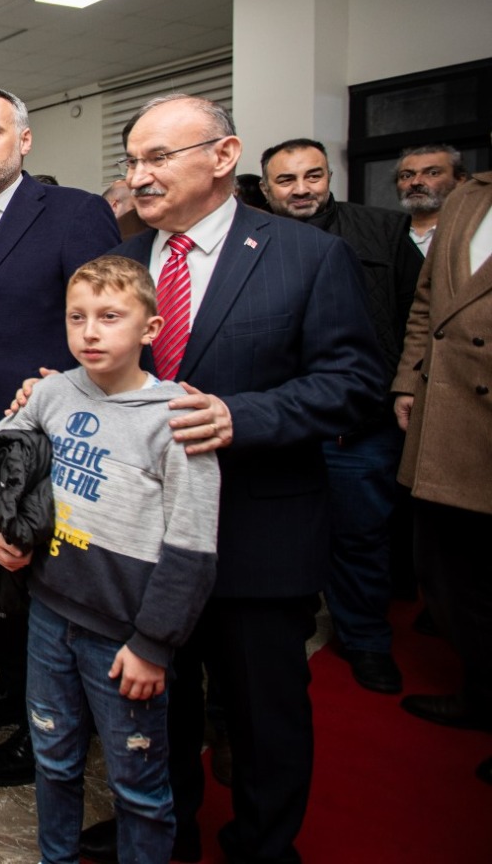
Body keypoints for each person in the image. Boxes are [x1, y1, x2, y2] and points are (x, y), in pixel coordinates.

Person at [71, 94, 384, 864]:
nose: (139, 177)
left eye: (157, 159)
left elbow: (354, 381)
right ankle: (162, 831)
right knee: (156, 705)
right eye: (132, 161)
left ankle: (262, 845)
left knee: (260, 714)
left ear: (223, 154)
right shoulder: (127, 262)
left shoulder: (305, 255)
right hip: (145, 540)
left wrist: (244, 417)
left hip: (256, 532)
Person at [0, 257, 220, 864]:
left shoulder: (176, 418)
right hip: (50, 616)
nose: (90, 332)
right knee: (54, 759)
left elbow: (192, 547)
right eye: (76, 317)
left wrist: (154, 643)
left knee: (137, 786)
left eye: (110, 317)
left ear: (151, 328)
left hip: (124, 637)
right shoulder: (54, 391)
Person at [0, 86, 120, 788]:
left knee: (51, 594)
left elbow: (108, 317)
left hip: (55, 438)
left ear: (24, 140)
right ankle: (11, 694)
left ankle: (52, 732)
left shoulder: (74, 212)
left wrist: (68, 383)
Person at [260, 138, 421, 693]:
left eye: (313, 176)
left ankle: (366, 641)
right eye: (287, 180)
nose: (302, 189)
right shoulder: (253, 241)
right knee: (286, 538)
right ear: (266, 188)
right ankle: (289, 630)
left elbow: (417, 319)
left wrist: (403, 386)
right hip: (280, 425)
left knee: (360, 537)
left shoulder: (384, 232)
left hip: (360, 425)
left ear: (330, 176)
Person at [391, 161, 492, 784]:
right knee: (447, 569)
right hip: (448, 413)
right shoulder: (468, 199)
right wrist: (407, 380)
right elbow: (427, 303)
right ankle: (480, 691)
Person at [394, 143, 468, 256]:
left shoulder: (476, 231)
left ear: (459, 181)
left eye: (433, 173)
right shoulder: (386, 234)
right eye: (406, 176)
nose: (415, 182)